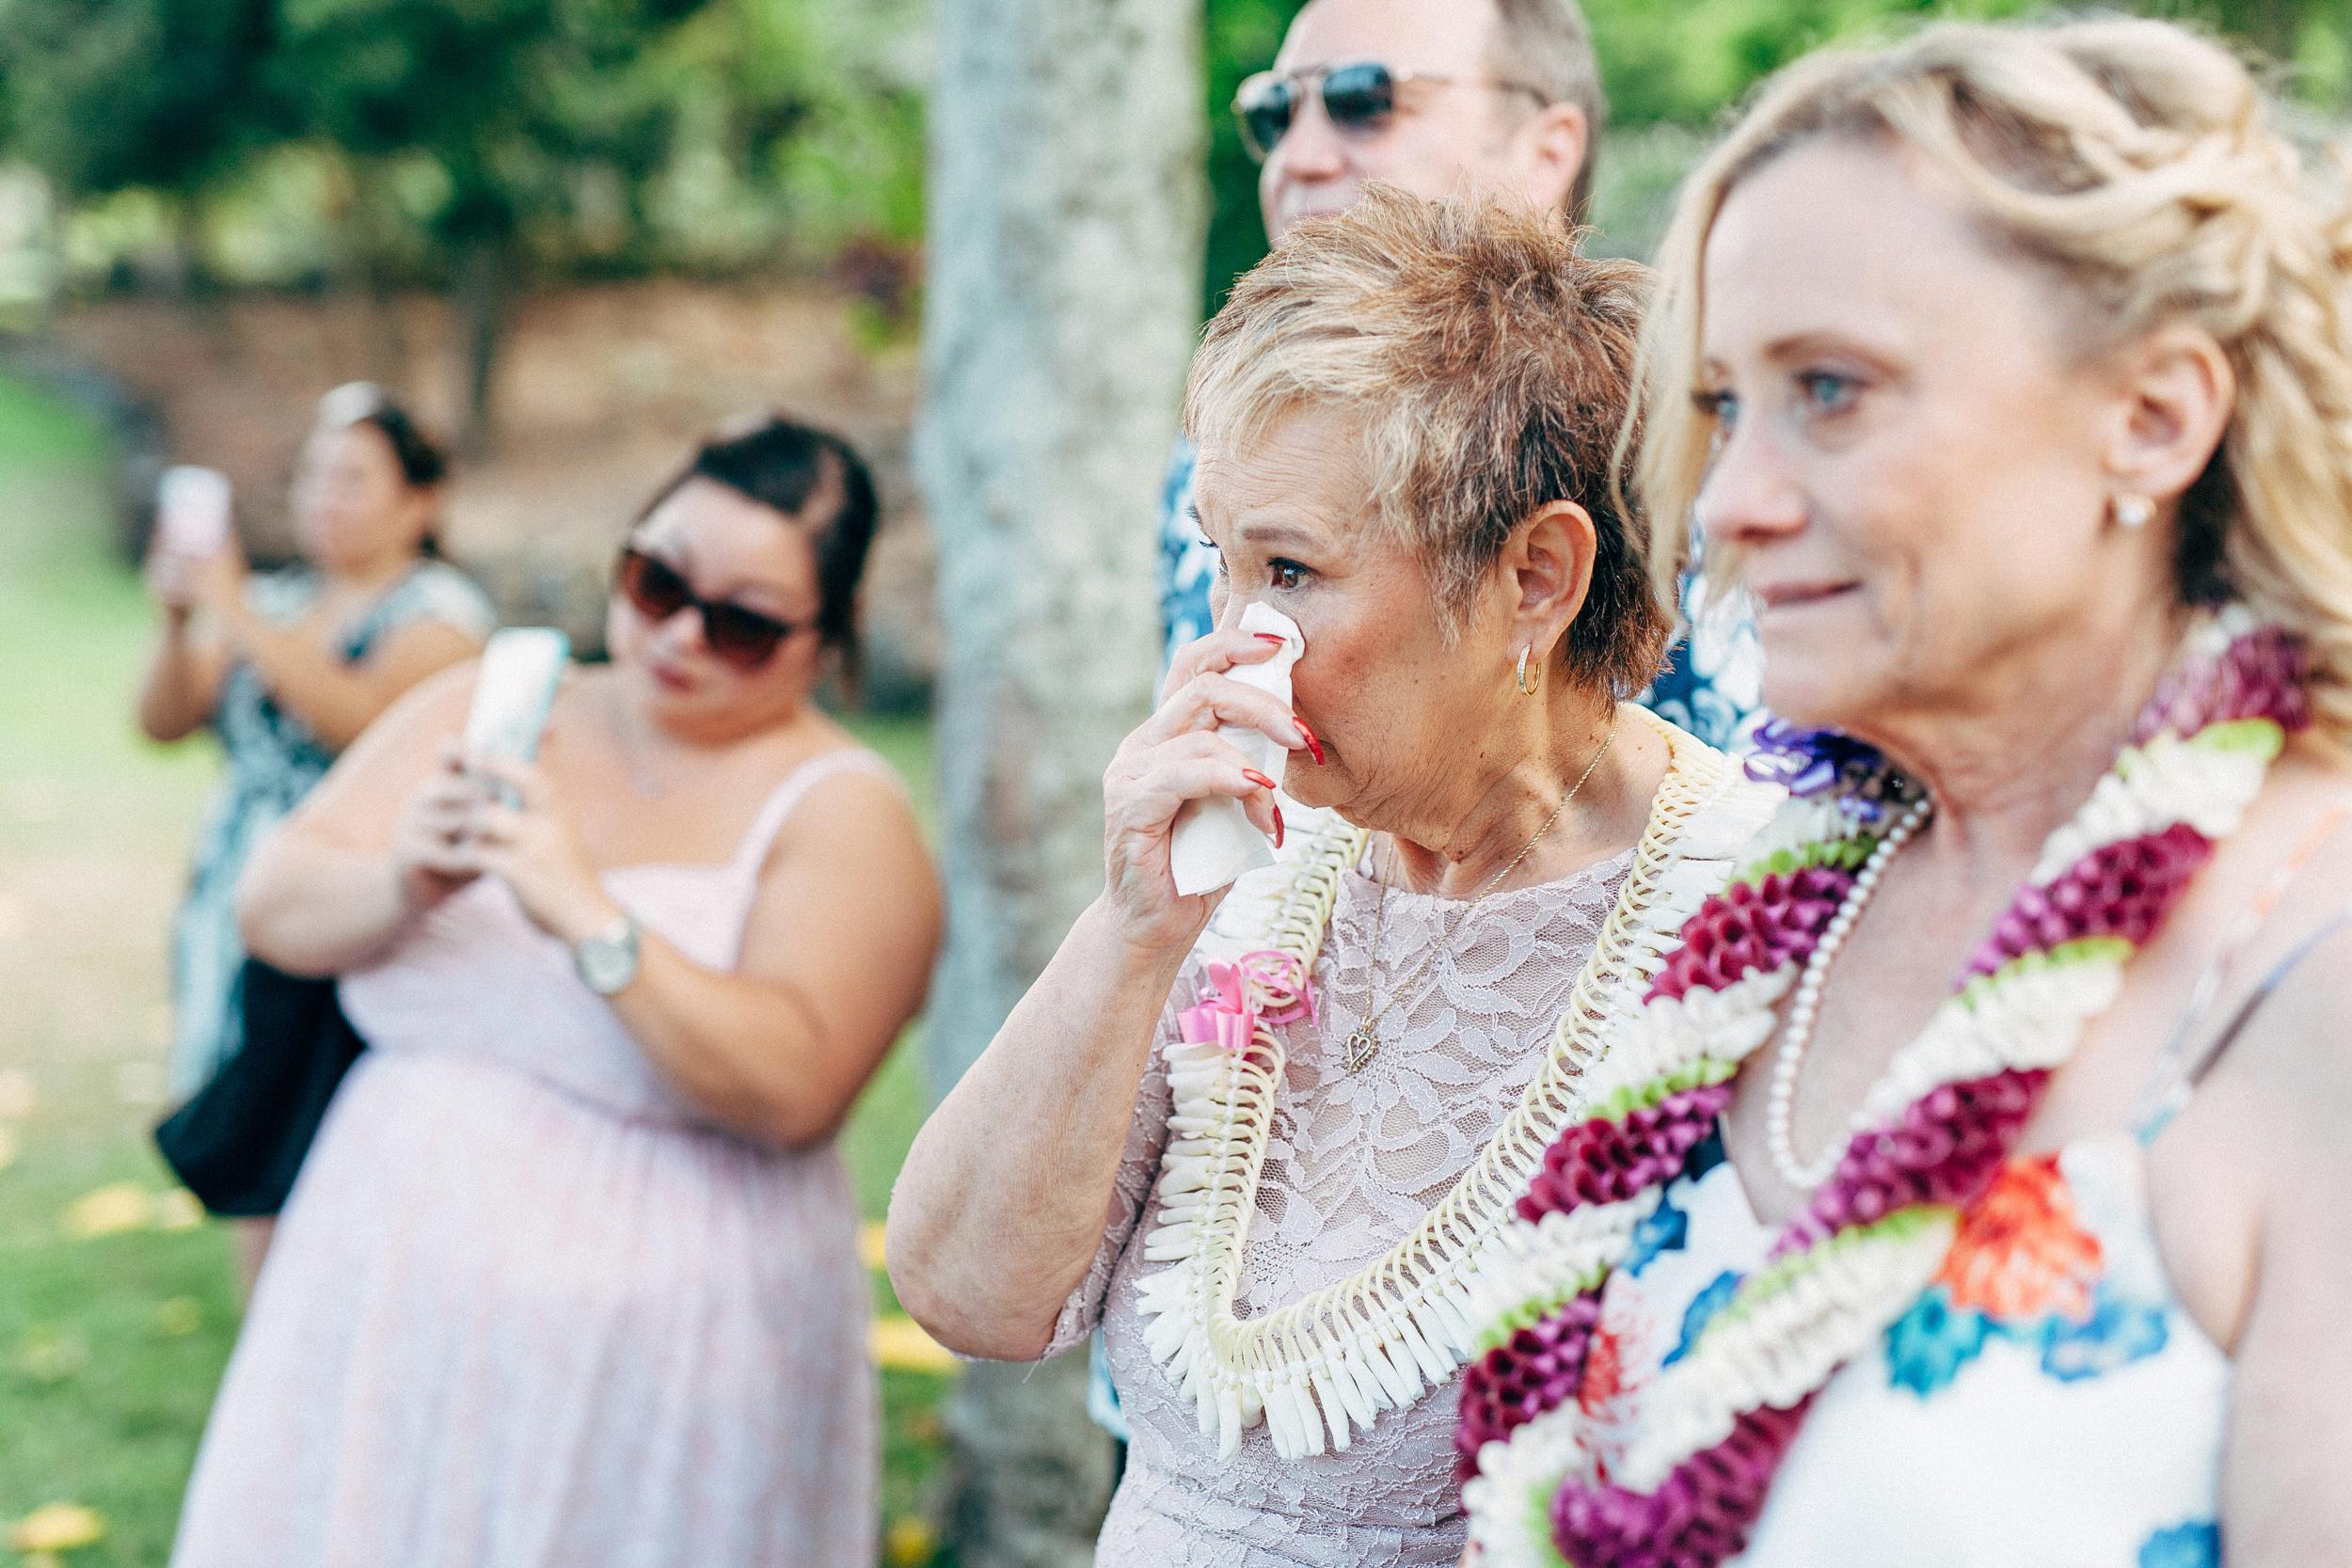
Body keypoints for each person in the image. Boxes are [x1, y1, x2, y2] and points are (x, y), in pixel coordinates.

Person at [1454, 20, 2352, 1568]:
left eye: (1835, 390)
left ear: (2153, 417)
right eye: (1729, 404)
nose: (1734, 501)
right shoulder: (1767, 909)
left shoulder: (2303, 985)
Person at [888, 190, 1777, 1565]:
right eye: (1217, 558)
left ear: (1537, 577)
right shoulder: (1250, 851)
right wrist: (1133, 931)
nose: (1231, 643)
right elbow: (970, 1292)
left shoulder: (1744, 914)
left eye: (1291, 570)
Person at [168, 416, 942, 1568]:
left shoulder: (846, 809)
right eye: (655, 580)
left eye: (741, 622)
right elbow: (274, 904)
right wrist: (403, 876)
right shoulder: (501, 698)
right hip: (376, 1291)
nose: (678, 633)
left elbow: (793, 1088)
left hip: (670, 1353)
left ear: (829, 637)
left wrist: (590, 916)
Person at [1161, 0, 1759, 750]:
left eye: (1363, 100)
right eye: (1275, 112)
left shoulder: (1721, 450)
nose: (1297, 157)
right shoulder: (1216, 455)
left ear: (1546, 151)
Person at [137, 385, 493, 1280]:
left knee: (328, 1131)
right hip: (234, 889)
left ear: (420, 500)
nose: (324, 497)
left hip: (357, 902)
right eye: (314, 476)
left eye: (352, 478)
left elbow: (363, 722)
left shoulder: (440, 617)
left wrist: (237, 610)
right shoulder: (283, 597)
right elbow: (164, 721)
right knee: (254, 1126)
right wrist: (181, 620)